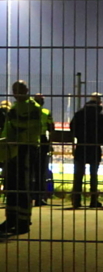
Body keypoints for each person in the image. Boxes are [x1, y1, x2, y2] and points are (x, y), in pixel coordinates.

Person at [0, 81, 46, 237]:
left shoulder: (33, 107)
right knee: (12, 185)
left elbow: (35, 127)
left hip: (26, 147)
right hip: (12, 148)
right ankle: (11, 219)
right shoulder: (14, 108)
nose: (16, 92)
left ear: (27, 90)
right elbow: (9, 127)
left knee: (22, 185)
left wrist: (15, 128)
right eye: (14, 90)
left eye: (19, 89)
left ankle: (23, 221)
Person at [69, 93, 103, 209]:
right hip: (94, 146)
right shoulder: (101, 115)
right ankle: (93, 200)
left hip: (81, 145)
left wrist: (79, 137)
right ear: (100, 103)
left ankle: (76, 200)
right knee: (94, 175)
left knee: (78, 175)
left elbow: (73, 127)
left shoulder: (80, 113)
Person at [33, 94, 56, 206]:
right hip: (42, 141)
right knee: (41, 170)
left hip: (29, 140)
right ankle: (39, 197)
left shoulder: (27, 111)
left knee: (28, 170)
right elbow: (51, 128)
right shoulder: (46, 112)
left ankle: (26, 195)